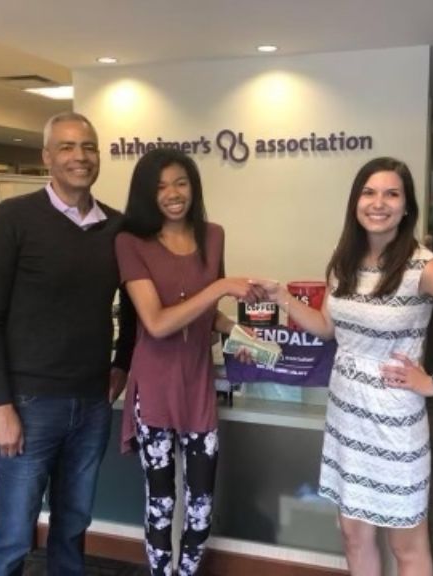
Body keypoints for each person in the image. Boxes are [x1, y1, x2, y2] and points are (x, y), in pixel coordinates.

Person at [259, 157, 433, 575]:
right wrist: (282, 297)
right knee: (352, 533)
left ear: (406, 207)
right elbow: (328, 328)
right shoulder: (343, 262)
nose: (379, 203)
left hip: (394, 424)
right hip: (345, 416)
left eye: (391, 194)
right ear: (355, 202)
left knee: (406, 543)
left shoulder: (423, 268)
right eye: (369, 192)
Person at [0, 112, 134, 575]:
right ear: (46, 156)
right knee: (12, 531)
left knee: (73, 523)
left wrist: (121, 363)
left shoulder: (118, 228)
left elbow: (137, 308)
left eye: (87, 146)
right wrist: (0, 404)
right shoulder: (14, 218)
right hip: (28, 404)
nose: (79, 156)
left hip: (91, 403)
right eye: (66, 147)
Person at [115, 148, 263, 575]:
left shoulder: (212, 235)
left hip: (197, 385)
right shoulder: (131, 242)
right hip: (155, 389)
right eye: (160, 186)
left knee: (201, 506)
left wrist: (236, 332)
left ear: (194, 186)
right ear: (146, 194)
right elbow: (158, 322)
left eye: (181, 182)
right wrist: (220, 288)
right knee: (161, 503)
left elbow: (205, 312)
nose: (173, 193)